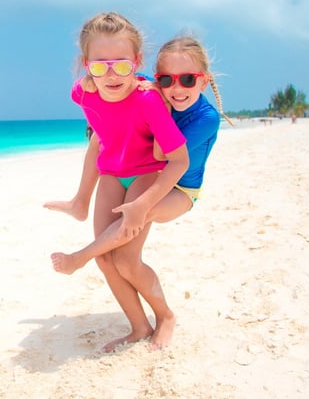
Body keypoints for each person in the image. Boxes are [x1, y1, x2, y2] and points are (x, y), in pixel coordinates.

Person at [48, 33, 230, 351]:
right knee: (111, 259)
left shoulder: (205, 118)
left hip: (178, 188)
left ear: (204, 81)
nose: (176, 88)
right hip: (145, 173)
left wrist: (156, 102)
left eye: (188, 80)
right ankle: (138, 326)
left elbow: (165, 155)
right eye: (167, 79)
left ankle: (165, 316)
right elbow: (115, 78)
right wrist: (93, 84)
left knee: (128, 259)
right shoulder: (145, 82)